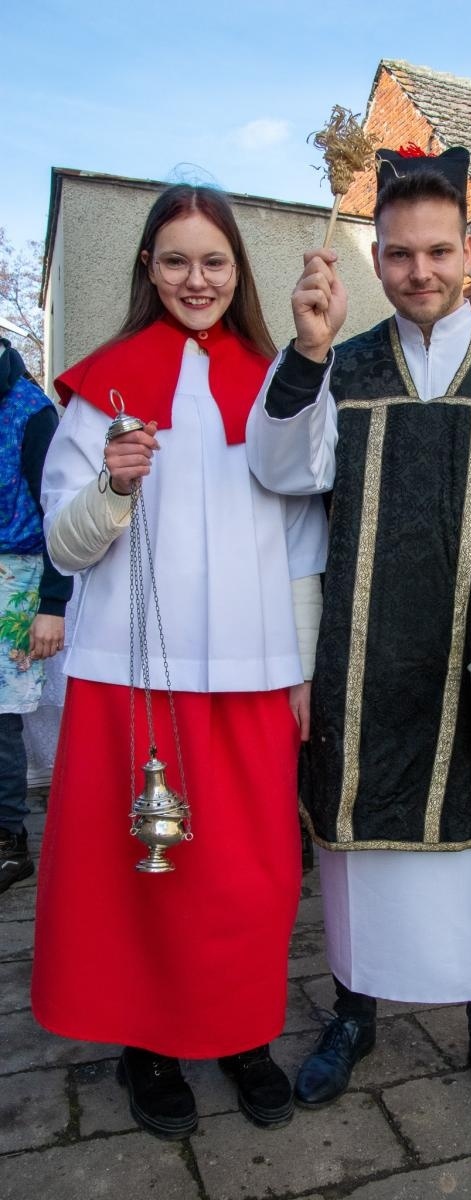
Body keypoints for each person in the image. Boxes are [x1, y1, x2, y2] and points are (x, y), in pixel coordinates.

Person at [247, 146, 471, 1132]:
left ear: (469, 250)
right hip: (363, 661)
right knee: (364, 857)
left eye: (437, 251)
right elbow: (280, 471)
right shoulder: (343, 366)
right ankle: (355, 1011)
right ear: (374, 257)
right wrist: (311, 348)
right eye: (400, 254)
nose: (420, 271)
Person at [31, 184, 327, 1140]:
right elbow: (65, 546)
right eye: (174, 261)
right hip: (132, 672)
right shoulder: (100, 391)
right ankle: (148, 1046)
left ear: (237, 272)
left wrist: (304, 671)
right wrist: (112, 490)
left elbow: (303, 541)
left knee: (249, 877)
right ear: (147, 269)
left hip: (250, 676)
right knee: (140, 878)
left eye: (213, 262)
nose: (194, 280)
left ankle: (239, 1036)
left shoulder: (279, 380)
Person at [0, 339, 72, 894]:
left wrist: (52, 603)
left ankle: (8, 841)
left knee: (2, 716)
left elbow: (57, 511)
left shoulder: (30, 411)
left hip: (16, 577)